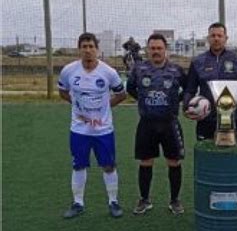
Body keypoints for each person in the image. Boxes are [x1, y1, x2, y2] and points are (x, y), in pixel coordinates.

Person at [58, 32, 127, 219]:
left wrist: (104, 109)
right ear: (79, 49)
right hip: (79, 129)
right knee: (78, 166)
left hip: (103, 130)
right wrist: (78, 107)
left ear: (97, 49)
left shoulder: (109, 73)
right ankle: (78, 203)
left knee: (108, 166)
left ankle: (113, 201)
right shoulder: (69, 71)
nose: (88, 50)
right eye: (84, 47)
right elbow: (63, 91)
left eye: (91, 47)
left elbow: (121, 95)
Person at [126, 33, 187, 215]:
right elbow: (130, 88)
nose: (156, 51)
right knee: (146, 162)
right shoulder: (139, 69)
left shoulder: (176, 70)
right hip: (147, 123)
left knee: (174, 161)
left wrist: (177, 100)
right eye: (152, 48)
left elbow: (189, 88)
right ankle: (144, 200)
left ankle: (174, 200)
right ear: (147, 50)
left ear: (165, 50)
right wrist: (143, 100)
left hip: (170, 123)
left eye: (159, 48)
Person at [183, 22, 237, 140]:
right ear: (208, 38)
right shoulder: (198, 61)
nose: (216, 39)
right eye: (213, 36)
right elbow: (190, 89)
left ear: (226, 38)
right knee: (206, 155)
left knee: (233, 155)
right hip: (206, 119)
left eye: (219, 36)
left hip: (232, 119)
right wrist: (187, 106)